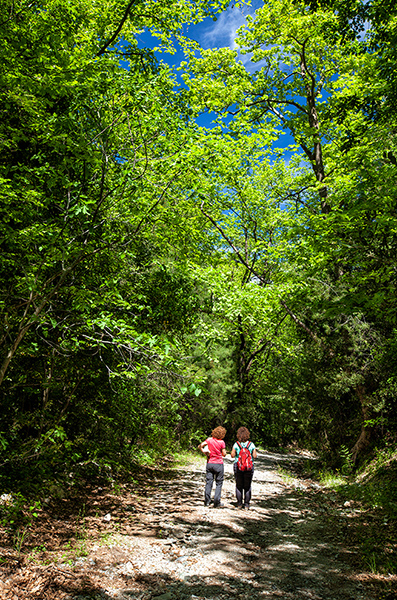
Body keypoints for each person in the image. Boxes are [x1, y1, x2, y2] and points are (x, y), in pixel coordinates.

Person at [198, 426, 227, 507]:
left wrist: (204, 452)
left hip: (210, 463)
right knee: (219, 483)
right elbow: (224, 454)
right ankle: (217, 502)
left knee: (209, 482)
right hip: (218, 464)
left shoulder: (209, 440)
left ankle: (207, 501)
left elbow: (200, 445)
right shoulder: (222, 442)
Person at [231, 426, 257, 510]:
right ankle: (246, 504)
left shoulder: (236, 444)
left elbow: (232, 455)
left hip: (238, 466)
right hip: (249, 467)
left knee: (239, 485)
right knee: (247, 485)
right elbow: (254, 456)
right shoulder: (251, 444)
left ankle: (239, 504)